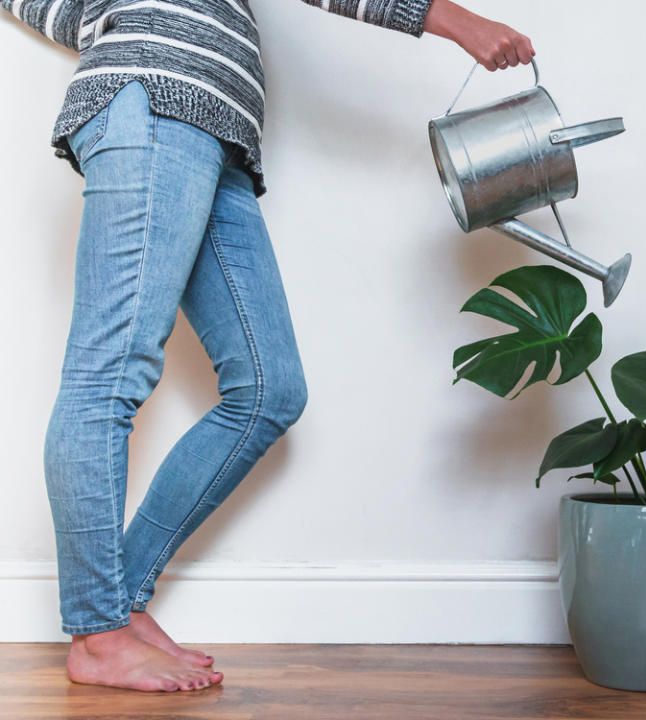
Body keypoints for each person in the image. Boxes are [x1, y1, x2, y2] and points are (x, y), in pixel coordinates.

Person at [0, 0, 534, 693]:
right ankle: (99, 632)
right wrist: (455, 21)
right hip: (154, 101)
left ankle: (115, 606)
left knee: (269, 389)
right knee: (110, 374)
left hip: (215, 136)